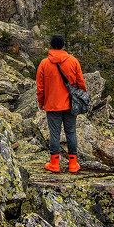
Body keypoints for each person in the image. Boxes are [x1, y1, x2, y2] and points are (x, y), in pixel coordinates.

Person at [36, 34, 87, 173]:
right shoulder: (73, 61)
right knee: (71, 132)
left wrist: (41, 102)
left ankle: (54, 164)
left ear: (51, 46)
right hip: (71, 104)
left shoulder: (44, 63)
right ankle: (73, 164)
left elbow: (40, 88)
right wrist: (81, 96)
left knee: (54, 133)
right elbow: (81, 82)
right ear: (63, 45)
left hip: (52, 104)